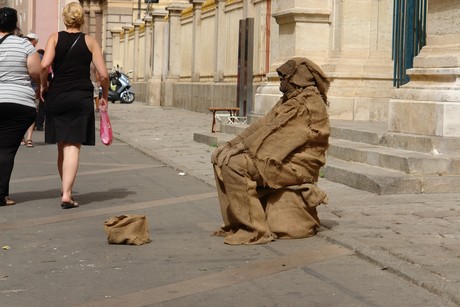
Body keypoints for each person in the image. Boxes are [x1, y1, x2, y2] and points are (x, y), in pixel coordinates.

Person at [211, 57, 330, 245]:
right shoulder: (289, 100)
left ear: (296, 79)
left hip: (296, 165)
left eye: (284, 77)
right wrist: (232, 144)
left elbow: (276, 134)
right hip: (283, 160)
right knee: (220, 157)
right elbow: (262, 125)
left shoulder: (306, 105)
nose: (281, 80)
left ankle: (254, 230)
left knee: (234, 164)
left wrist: (242, 149)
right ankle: (237, 222)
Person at [40, 2, 109, 209]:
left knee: (63, 146)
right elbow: (103, 74)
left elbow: (44, 65)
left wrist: (43, 85)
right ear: (82, 19)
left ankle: (65, 189)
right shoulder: (90, 42)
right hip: (80, 97)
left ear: (64, 18)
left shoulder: (54, 37)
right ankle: (67, 194)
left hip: (58, 95)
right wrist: (104, 96)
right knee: (73, 147)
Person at [0, 8, 42, 206]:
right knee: (7, 149)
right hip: (18, 103)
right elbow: (35, 72)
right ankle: (1, 194)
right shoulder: (25, 45)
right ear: (15, 24)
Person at [22, 32, 40, 147]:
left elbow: (40, 71)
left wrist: (41, 85)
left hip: (33, 87)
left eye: (30, 39)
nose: (28, 41)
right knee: (21, 113)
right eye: (27, 38)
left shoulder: (38, 55)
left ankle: (29, 138)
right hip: (23, 87)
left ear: (35, 42)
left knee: (33, 113)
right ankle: (21, 137)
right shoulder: (21, 52)